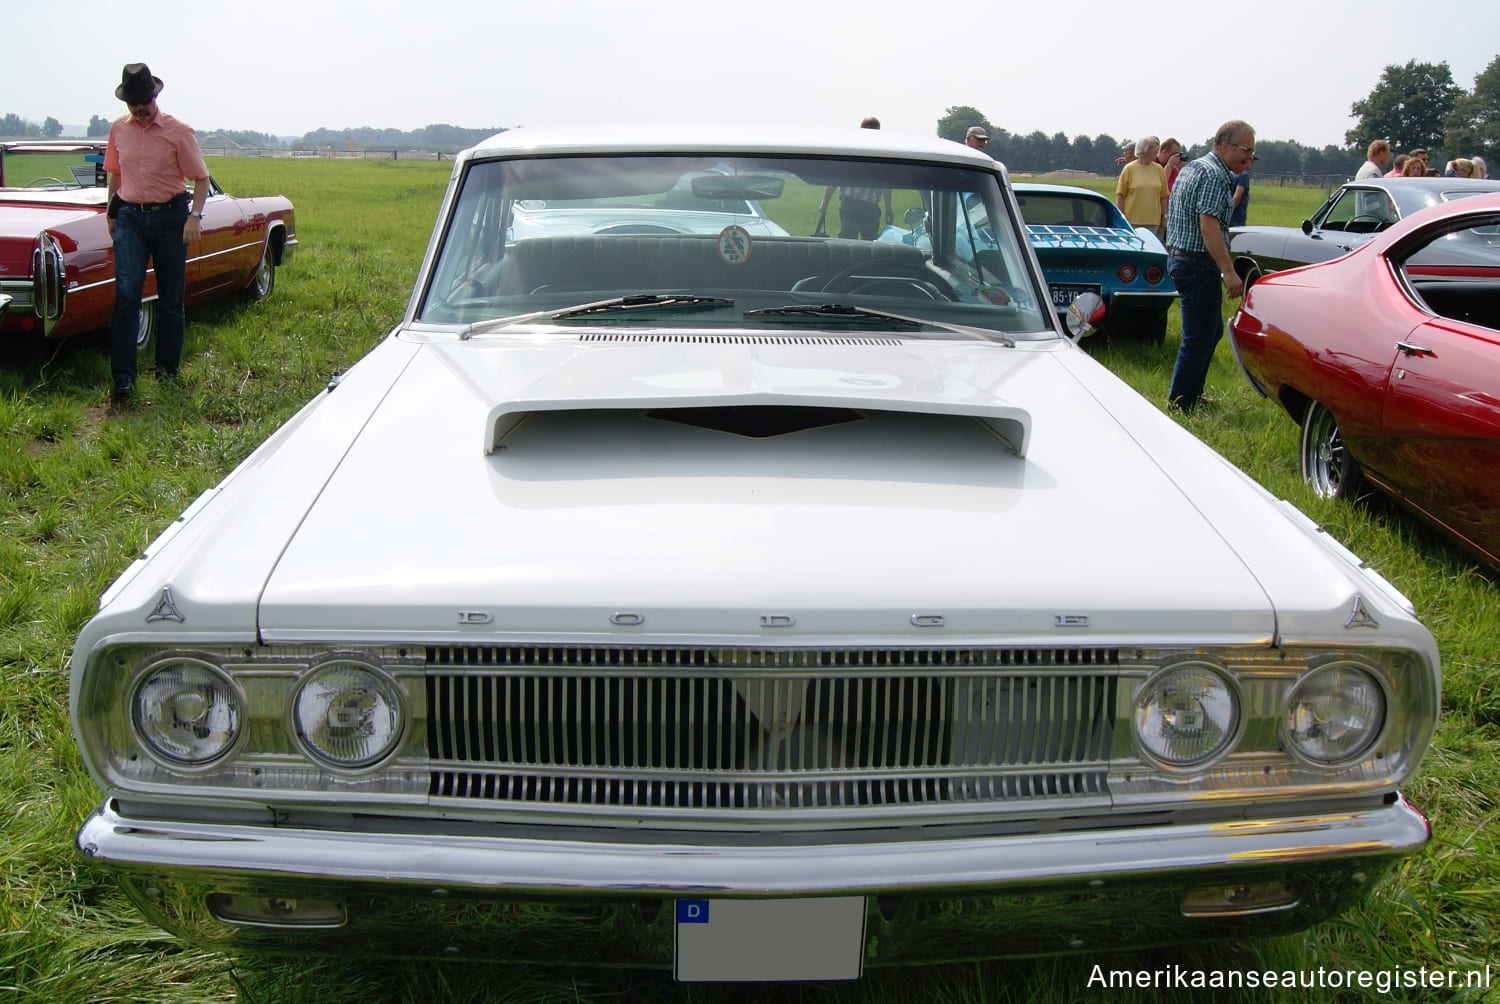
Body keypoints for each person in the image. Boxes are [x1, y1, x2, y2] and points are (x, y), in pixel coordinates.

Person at [104, 63, 209, 402]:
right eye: (133, 103)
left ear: (155, 95)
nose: (139, 108)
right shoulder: (118, 130)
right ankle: (123, 379)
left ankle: (166, 372)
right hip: (130, 219)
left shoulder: (179, 131)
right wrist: (111, 214)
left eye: (144, 101)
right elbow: (115, 176)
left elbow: (201, 179)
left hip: (171, 219)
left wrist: (194, 217)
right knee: (126, 297)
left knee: (170, 300)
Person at [1163, 120, 1255, 412]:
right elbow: (1209, 226)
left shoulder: (1195, 168)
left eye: (1254, 152)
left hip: (1182, 260)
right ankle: (1180, 404)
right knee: (1198, 338)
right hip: (1196, 265)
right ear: (1224, 145)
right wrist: (1229, 272)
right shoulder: (1215, 175)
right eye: (1246, 150)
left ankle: (1191, 394)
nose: (1250, 158)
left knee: (1210, 331)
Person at [816, 117, 892, 239]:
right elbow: (886, 184)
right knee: (868, 243)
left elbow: (833, 180)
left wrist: (824, 204)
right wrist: (888, 208)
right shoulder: (880, 153)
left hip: (853, 205)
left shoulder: (851, 149)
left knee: (852, 241)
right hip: (863, 206)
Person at [1116, 136, 1169, 235]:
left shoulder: (1159, 169)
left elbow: (1163, 196)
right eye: (1153, 147)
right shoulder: (1129, 169)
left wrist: (1164, 217)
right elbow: (1120, 196)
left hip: (1153, 223)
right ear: (1144, 149)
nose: (1157, 150)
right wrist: (1121, 218)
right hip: (1131, 222)